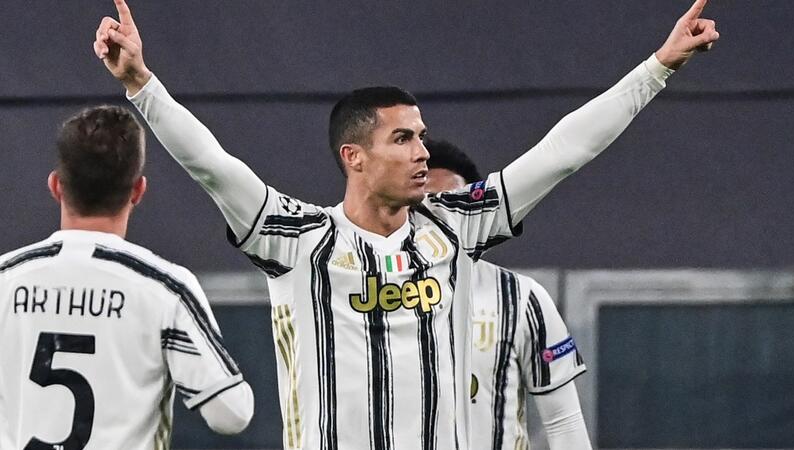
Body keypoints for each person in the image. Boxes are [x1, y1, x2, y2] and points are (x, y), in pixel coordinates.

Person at [92, 0, 718, 447]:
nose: (422, 152)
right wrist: (141, 84)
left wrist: (658, 67)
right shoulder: (297, 240)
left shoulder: (454, 226)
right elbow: (211, 164)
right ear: (354, 156)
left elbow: (562, 152)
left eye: (421, 135)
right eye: (403, 138)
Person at [0, 105, 254, 450]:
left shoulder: (6, 277)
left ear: (56, 185)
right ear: (138, 190)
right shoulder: (165, 289)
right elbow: (232, 413)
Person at [424, 138, 591, 449]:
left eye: (453, 205)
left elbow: (563, 421)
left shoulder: (522, 299)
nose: (441, 217)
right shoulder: (364, 295)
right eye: (427, 206)